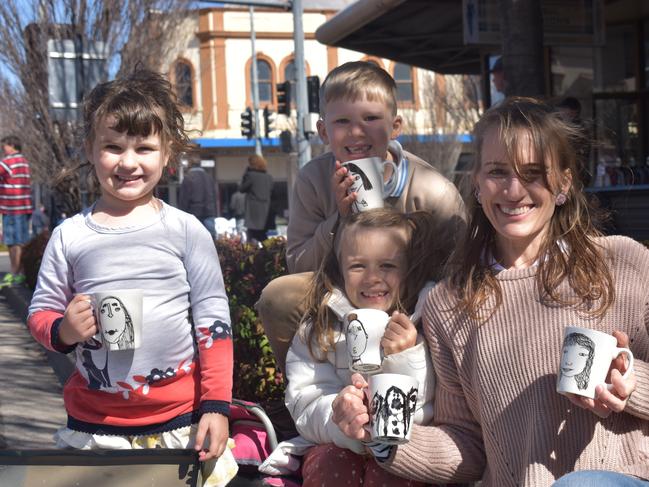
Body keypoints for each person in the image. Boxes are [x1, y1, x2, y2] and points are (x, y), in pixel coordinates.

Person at [331, 97, 649, 486]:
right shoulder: (449, 304)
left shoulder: (625, 265)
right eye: (498, 172)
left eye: (533, 173)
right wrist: (378, 435)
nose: (514, 191)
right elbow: (467, 447)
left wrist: (633, 386)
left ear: (563, 182)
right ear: (477, 184)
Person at [27, 69, 237, 485]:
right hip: (94, 422)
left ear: (168, 154)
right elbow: (40, 311)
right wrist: (64, 330)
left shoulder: (186, 231)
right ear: (89, 148)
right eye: (112, 146)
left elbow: (213, 321)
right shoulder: (70, 235)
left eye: (144, 147)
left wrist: (217, 404)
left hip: (180, 419)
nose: (128, 162)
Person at [256, 60, 466, 373]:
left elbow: (459, 272)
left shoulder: (432, 188)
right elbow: (299, 265)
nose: (356, 132)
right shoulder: (313, 180)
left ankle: (443, 392)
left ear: (395, 126)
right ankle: (308, 390)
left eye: (370, 118)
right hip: (341, 293)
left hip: (412, 298)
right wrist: (338, 220)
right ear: (324, 132)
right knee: (280, 296)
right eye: (343, 121)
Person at [285, 208, 436, 487]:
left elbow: (433, 407)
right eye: (358, 266)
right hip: (337, 443)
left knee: (394, 473)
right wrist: (339, 416)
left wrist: (405, 357)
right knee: (329, 463)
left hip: (409, 444)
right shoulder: (321, 325)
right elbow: (303, 400)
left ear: (409, 269)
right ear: (339, 270)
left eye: (387, 266)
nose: (372, 278)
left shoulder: (427, 319)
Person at [0, 135, 33, 286]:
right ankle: (18, 272)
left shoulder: (9, 161)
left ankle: (16, 272)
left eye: (4, 146)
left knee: (13, 241)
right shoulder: (24, 161)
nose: (3, 149)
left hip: (12, 206)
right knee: (20, 240)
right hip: (23, 206)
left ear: (12, 146)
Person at [179, 156, 218, 239]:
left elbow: (184, 198)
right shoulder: (209, 177)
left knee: (194, 240)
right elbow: (215, 196)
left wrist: (182, 213)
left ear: (190, 165)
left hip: (194, 212)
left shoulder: (188, 177)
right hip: (209, 211)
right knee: (211, 239)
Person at [239, 154, 274, 243]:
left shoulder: (250, 175)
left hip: (254, 213)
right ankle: (271, 252)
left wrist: (245, 173)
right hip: (266, 212)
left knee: (251, 235)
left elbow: (242, 189)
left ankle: (251, 255)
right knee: (261, 235)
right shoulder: (269, 177)